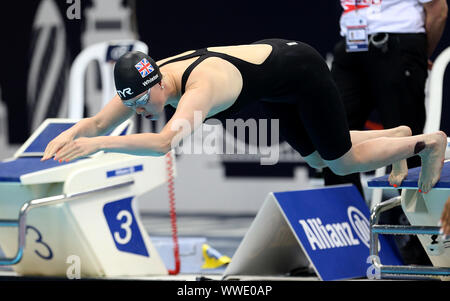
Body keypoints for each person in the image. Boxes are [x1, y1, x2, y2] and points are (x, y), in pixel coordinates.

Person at [41, 39, 447, 193]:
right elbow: (96, 121)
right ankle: (396, 135)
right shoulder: (151, 78)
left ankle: (424, 145)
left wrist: (96, 145)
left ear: (160, 85)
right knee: (317, 155)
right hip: (274, 90)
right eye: (132, 106)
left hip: (301, 70)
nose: (140, 112)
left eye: (142, 104)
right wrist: (66, 138)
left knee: (340, 162)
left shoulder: (202, 88)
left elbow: (164, 143)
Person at [323, 0, 448, 195]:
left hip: (397, 43)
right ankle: (346, 222)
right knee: (333, 142)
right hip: (350, 46)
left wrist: (418, 54)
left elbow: (438, 9)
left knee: (408, 146)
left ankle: (411, 219)